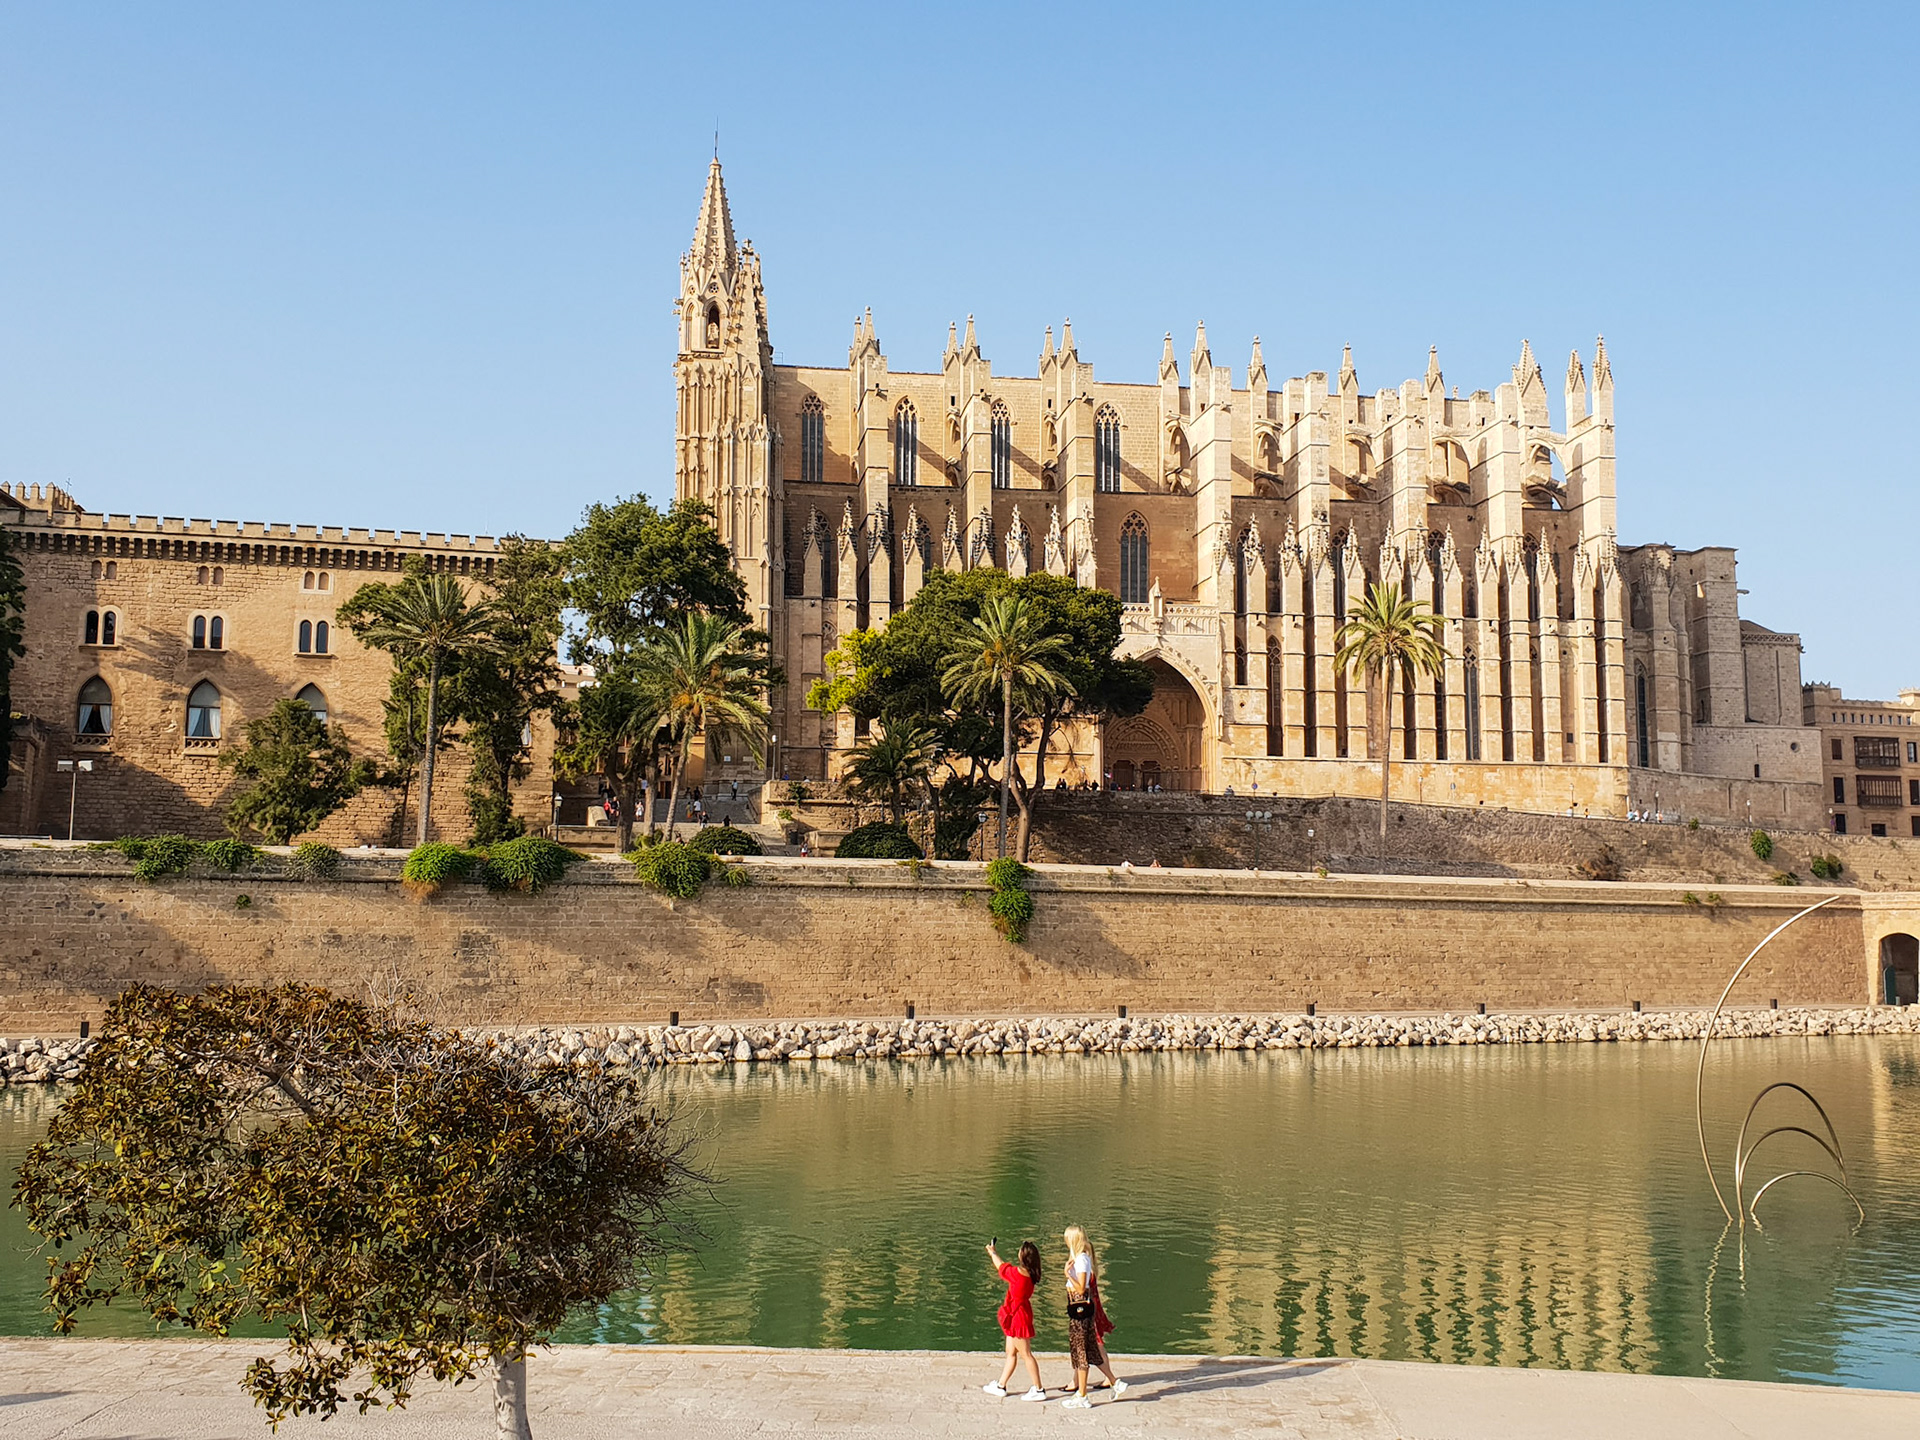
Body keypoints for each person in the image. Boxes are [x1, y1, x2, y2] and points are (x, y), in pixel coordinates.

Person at [1060, 1225, 1123, 1407]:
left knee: (1081, 1352)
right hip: (1080, 1311)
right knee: (1091, 1352)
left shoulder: (1081, 1260)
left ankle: (1082, 1395)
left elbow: (1081, 1288)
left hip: (1080, 1312)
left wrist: (1067, 1275)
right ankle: (1114, 1382)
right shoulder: (1081, 1259)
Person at [982, 1240, 1047, 1402]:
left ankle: (1039, 1389)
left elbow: (1001, 1266)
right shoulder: (1031, 1274)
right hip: (1020, 1313)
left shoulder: (1017, 1274)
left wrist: (992, 1252)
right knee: (1010, 1352)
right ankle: (1001, 1385)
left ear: (1022, 1256)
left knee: (1026, 1354)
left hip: (1017, 1317)